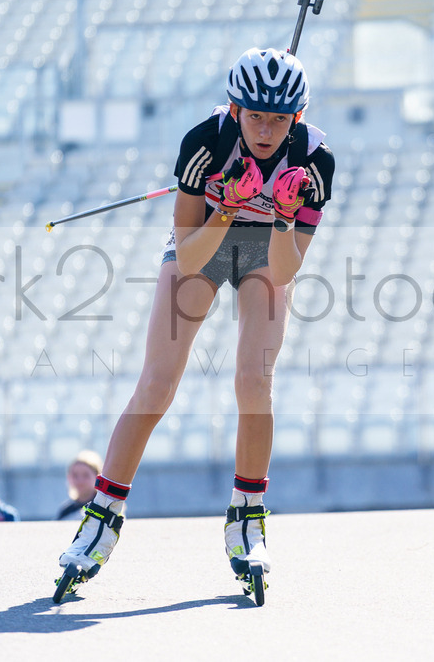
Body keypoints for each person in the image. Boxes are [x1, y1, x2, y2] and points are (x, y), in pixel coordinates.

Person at [58, 47, 335, 587]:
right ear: (235, 109)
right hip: (204, 242)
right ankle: (102, 516)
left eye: (279, 119)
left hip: (264, 252)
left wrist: (279, 215)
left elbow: (283, 272)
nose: (266, 130)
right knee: (158, 382)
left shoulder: (316, 161)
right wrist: (229, 206)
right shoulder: (202, 144)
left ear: (296, 118)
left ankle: (248, 518)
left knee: (255, 381)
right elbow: (187, 257)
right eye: (255, 115)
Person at [56, 450, 103, 521]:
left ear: (97, 476)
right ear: (69, 477)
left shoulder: (104, 507)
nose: (80, 481)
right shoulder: (65, 512)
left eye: (86, 475)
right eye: (75, 475)